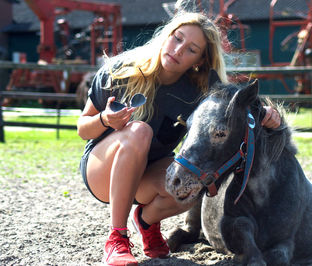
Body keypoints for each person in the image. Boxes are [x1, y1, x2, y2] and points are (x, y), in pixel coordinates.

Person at [77, 11, 281, 266]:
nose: (178, 49)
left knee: (193, 180)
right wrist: (106, 121)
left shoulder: (198, 93)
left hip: (149, 172)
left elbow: (236, 109)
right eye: (177, 38)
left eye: (191, 49)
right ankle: (116, 238)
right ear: (167, 35)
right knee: (140, 131)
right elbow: (83, 128)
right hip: (102, 170)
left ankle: (146, 221)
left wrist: (268, 115)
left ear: (200, 60)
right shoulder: (120, 70)